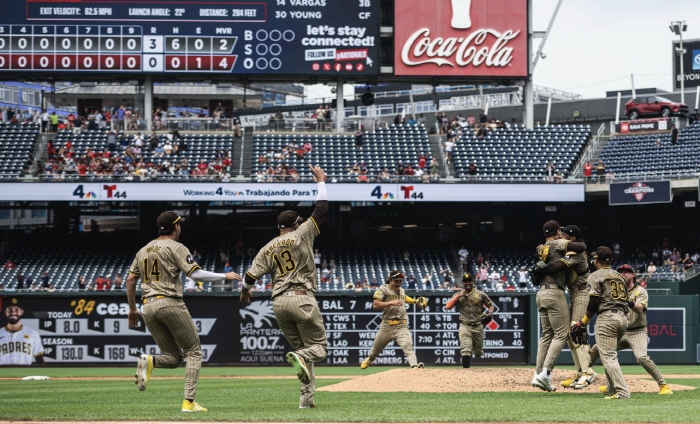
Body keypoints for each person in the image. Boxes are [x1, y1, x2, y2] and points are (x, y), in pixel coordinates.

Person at [126, 211, 241, 412]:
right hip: (169, 302)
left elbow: (130, 280)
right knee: (194, 351)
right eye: (180, 225)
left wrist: (133, 309)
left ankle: (150, 360)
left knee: (173, 357)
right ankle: (189, 403)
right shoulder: (177, 247)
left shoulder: (143, 250)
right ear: (176, 227)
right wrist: (225, 275)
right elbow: (195, 273)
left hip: (148, 305)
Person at [240, 165, 329, 409]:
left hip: (278, 303)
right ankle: (300, 359)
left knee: (303, 351)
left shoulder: (267, 247)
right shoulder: (301, 234)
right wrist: (320, 181)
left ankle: (305, 402)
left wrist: (245, 292)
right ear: (297, 224)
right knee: (318, 349)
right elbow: (321, 210)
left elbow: (249, 277)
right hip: (301, 298)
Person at [590, 265, 673, 396]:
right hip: (621, 331)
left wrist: (628, 301)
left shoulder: (640, 291)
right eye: (621, 272)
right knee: (599, 349)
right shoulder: (614, 291)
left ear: (633, 275)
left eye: (626, 272)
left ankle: (663, 385)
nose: (623, 274)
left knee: (641, 357)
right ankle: (590, 374)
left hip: (637, 331)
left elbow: (640, 308)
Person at [536, 225, 595, 390]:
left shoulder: (577, 254)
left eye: (564, 236)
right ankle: (580, 372)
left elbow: (555, 267)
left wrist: (540, 266)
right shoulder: (568, 251)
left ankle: (588, 372)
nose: (560, 238)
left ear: (573, 239)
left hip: (582, 293)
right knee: (570, 334)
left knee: (577, 330)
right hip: (574, 293)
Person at [570, 247, 630, 399]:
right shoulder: (619, 276)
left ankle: (622, 392)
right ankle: (612, 390)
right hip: (623, 318)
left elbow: (594, 302)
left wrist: (583, 322)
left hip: (607, 317)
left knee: (608, 356)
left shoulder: (595, 275)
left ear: (596, 259)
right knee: (606, 353)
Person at [361, 270, 427, 370]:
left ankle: (415, 366)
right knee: (375, 350)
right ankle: (371, 358)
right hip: (387, 326)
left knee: (408, 347)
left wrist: (415, 301)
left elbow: (404, 298)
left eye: (400, 281)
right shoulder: (383, 289)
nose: (398, 283)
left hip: (401, 326)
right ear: (390, 280)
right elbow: (375, 304)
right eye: (396, 281)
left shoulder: (401, 290)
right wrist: (391, 303)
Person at [445, 273, 494, 368]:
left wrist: (490, 313)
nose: (468, 283)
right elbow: (447, 307)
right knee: (465, 350)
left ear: (473, 282)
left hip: (478, 325)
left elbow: (490, 305)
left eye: (470, 281)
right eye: (466, 281)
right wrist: (459, 296)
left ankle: (477, 351)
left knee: (478, 353)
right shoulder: (458, 295)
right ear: (463, 283)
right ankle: (466, 373)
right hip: (465, 325)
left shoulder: (480, 294)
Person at [0, 298, 45, 365]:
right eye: (9, 309)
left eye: (16, 310)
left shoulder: (32, 333)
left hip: (25, 372)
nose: (13, 312)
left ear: (21, 312)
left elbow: (39, 359)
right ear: (5, 312)